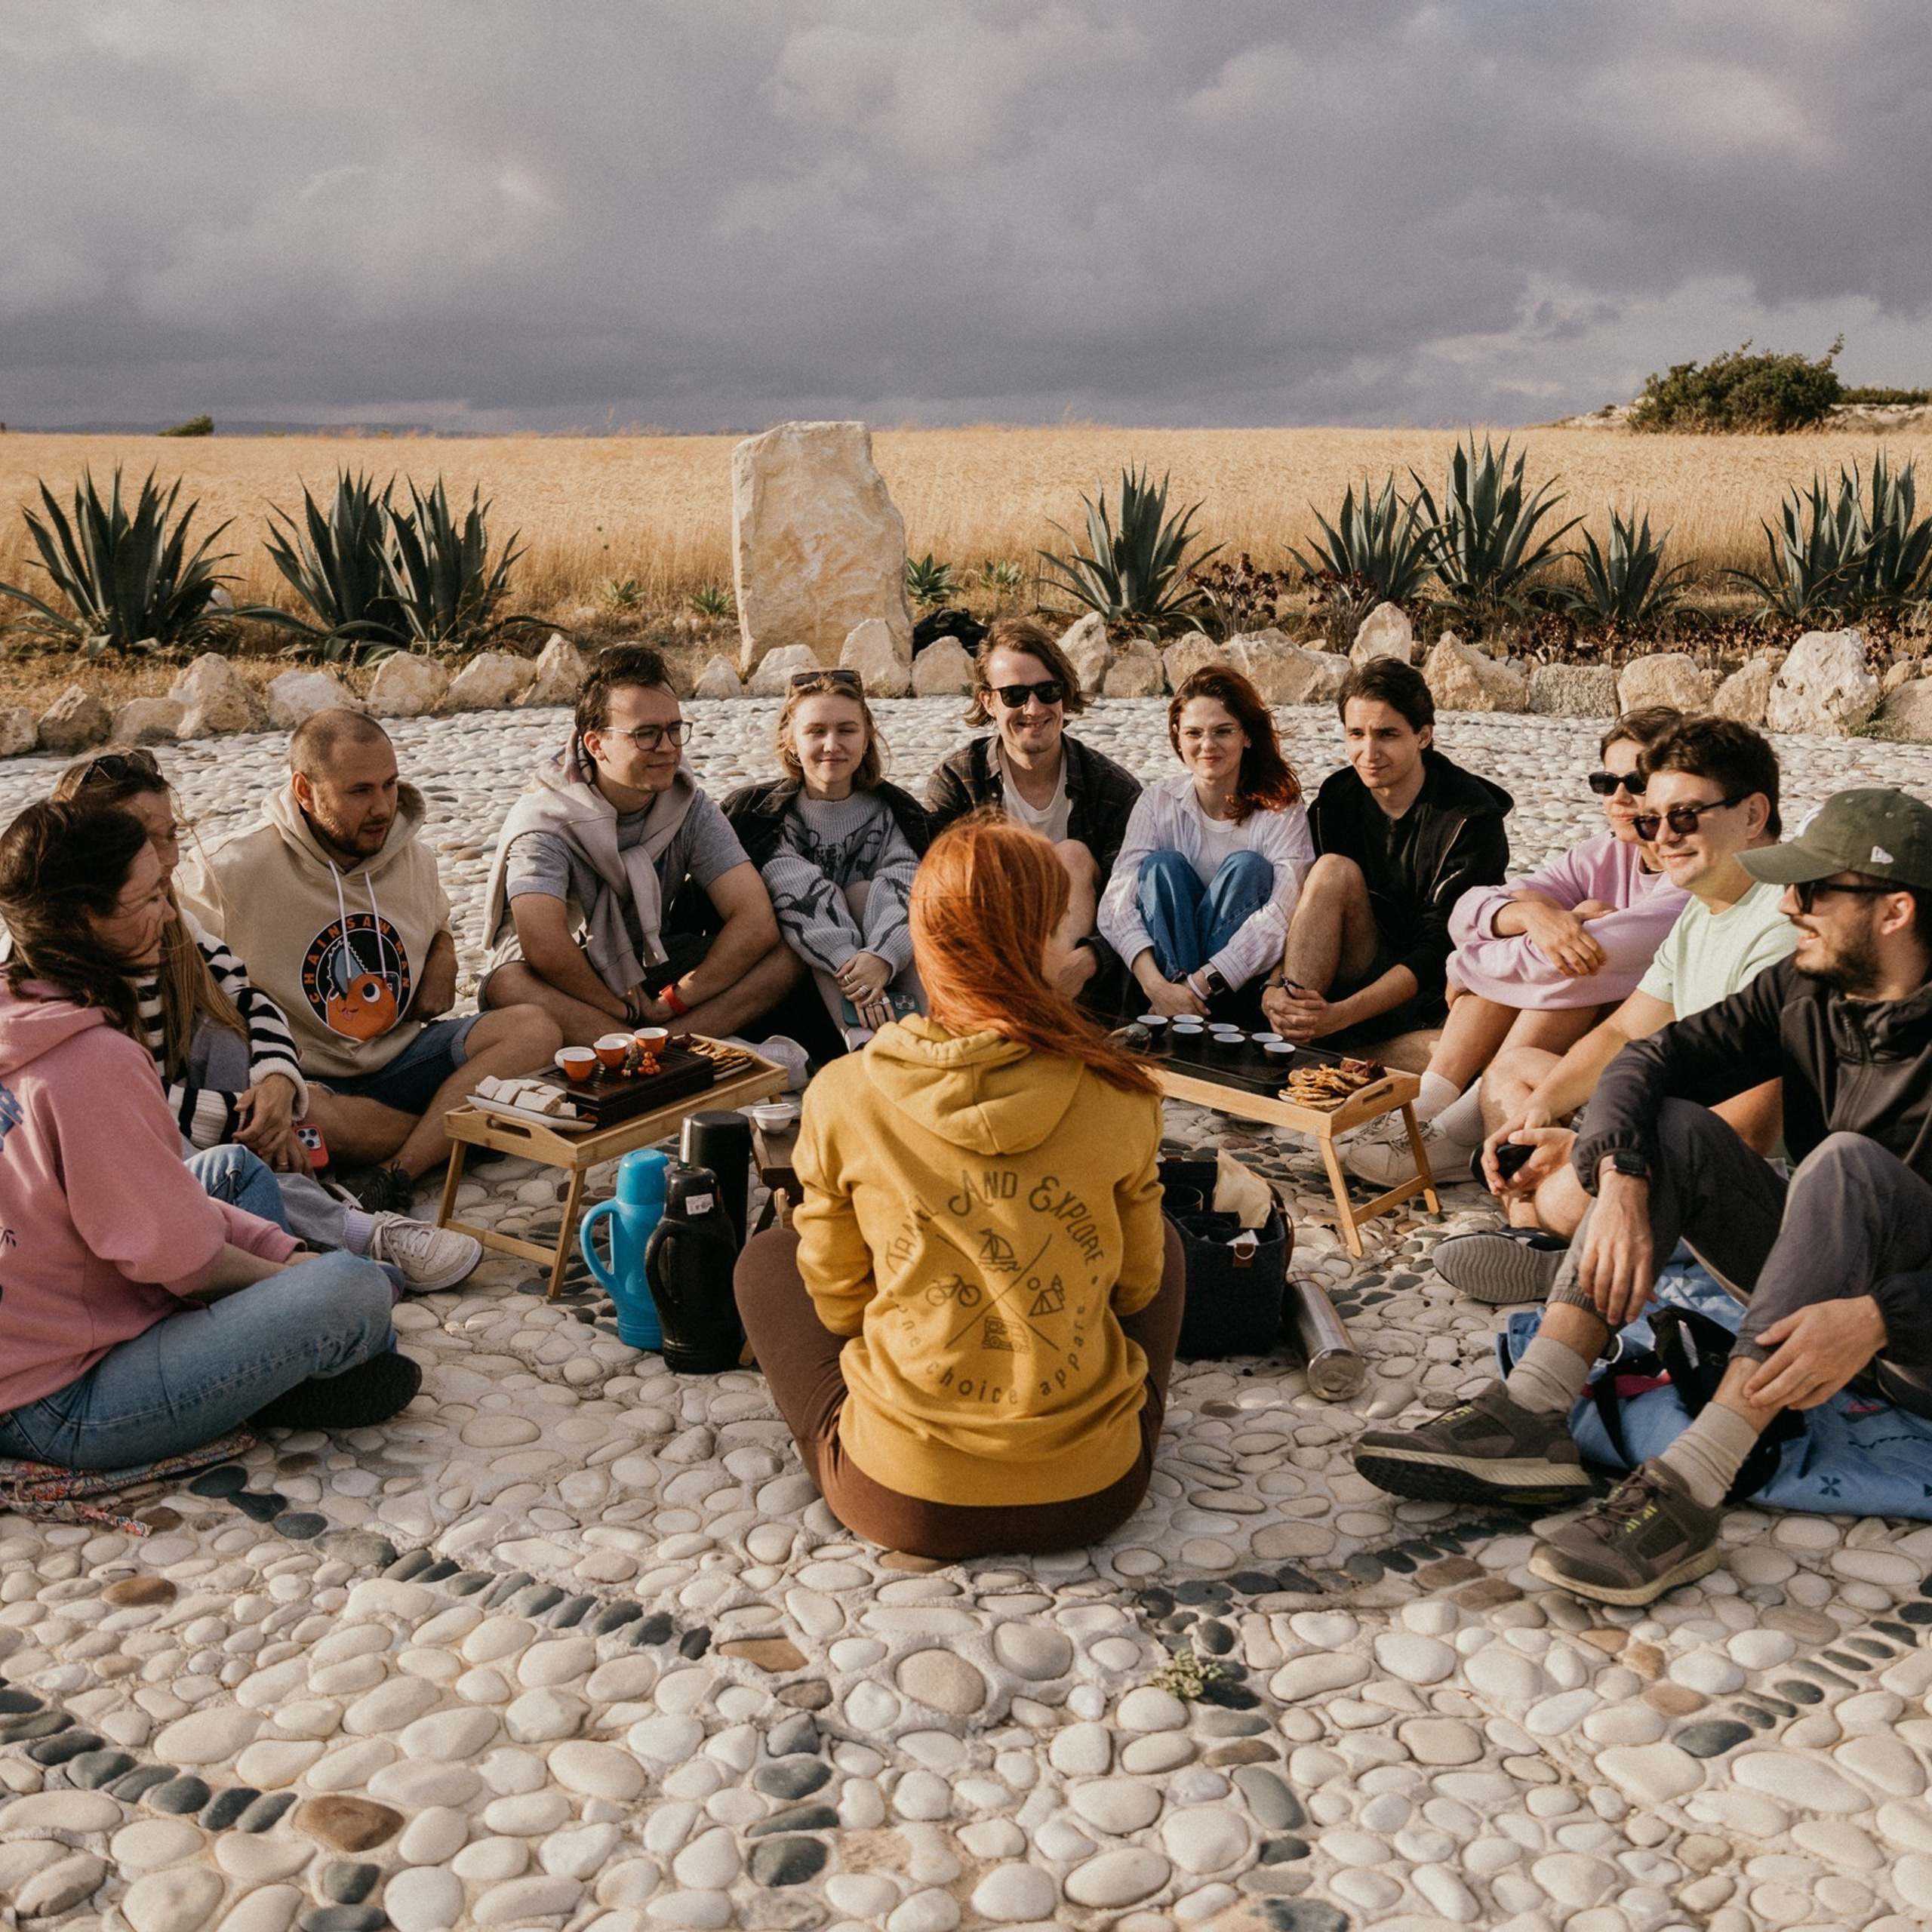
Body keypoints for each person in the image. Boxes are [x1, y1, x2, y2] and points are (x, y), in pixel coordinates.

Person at [1355, 787, 1932, 1607]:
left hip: (1912, 1335)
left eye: (1812, 890)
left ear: (1895, 911)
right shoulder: (1808, 989)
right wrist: (1621, 1177)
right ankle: (1532, 1410)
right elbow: (1645, 1060)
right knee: (1671, 1124)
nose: (1788, 905)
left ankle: (1693, 1486)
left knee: (1845, 1166)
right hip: (1827, 1298)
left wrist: (1878, 1317)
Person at [734, 814, 1187, 1561]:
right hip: (1095, 1494)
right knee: (1162, 1239)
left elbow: (841, 1305)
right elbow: (1136, 1288)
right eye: (1065, 929)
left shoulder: (845, 1092)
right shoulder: (1122, 1092)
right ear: (1039, 945)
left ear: (926, 943)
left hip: (903, 1499)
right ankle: (1096, 1424)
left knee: (765, 1262)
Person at [0, 801, 417, 1471]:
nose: (170, 915)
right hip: (59, 1398)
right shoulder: (90, 1061)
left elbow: (150, 1207)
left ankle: (265, 1375)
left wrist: (282, 1252)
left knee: (231, 1170)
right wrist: (290, 1278)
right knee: (353, 1290)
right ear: (84, 918)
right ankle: (273, 1383)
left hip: (46, 1320)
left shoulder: (18, 1015)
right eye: (149, 898)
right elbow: (178, 1256)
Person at [50, 751, 481, 1293]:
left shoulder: (170, 921)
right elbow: (122, 1107)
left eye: (170, 835)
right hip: (125, 1152)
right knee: (224, 1157)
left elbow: (248, 997)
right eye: (143, 839)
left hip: (223, 1111)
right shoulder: (54, 962)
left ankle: (323, 1218)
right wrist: (254, 1122)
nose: (167, 858)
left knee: (227, 1037)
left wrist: (276, 1083)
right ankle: (348, 1232)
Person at [1438, 716, 1794, 1304]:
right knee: (1514, 1074)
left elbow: (1747, 1132)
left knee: (1560, 1187)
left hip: (1733, 1172)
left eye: (1685, 817)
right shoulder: (1704, 908)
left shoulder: (1784, 923)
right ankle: (1548, 1241)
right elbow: (1624, 1031)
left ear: (1753, 814)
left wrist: (1590, 1152)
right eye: (1653, 821)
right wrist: (1537, 1113)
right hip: (1665, 1114)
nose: (1662, 838)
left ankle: (1558, 1244)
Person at [177, 710, 560, 1213]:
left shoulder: (412, 857)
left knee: (534, 1029)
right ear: (305, 790)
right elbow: (172, 959)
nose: (382, 808)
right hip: (311, 1081)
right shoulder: (228, 869)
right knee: (311, 1117)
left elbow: (437, 921)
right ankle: (451, 1135)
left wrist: (443, 954)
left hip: (403, 1059)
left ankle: (399, 1165)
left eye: (390, 785)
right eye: (359, 791)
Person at [1342, 708, 1686, 1187]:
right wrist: (1531, 917)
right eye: (1606, 783)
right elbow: (1469, 908)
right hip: (1572, 1039)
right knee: (1548, 938)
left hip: (1635, 1056)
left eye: (1637, 782)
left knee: (1574, 964)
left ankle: (1461, 1130)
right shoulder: (1603, 854)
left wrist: (1465, 966)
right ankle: (1429, 1108)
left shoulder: (1687, 878)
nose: (1619, 798)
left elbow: (1561, 961)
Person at [480, 645, 802, 1077]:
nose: (667, 748)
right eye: (646, 734)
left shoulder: (686, 804)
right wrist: (621, 1009)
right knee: (507, 984)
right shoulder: (546, 820)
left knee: (786, 954)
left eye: (675, 730)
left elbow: (754, 918)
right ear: (597, 744)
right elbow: (545, 946)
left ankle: (657, 1052)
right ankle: (660, 1054)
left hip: (646, 966)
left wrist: (675, 1000)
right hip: (565, 984)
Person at [1266, 659, 1512, 1056]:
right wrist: (1274, 987)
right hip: (1348, 968)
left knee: (1467, 1053)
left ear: (1423, 736)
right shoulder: (1337, 799)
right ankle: (1295, 1038)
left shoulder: (1470, 817)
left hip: (1427, 998)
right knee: (1331, 871)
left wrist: (1342, 1015)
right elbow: (1298, 909)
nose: (1369, 752)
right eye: (1356, 734)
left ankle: (1339, 1057)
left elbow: (1439, 950)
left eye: (1387, 734)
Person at [926, 617, 1143, 1003]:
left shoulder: (1111, 788)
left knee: (1072, 856)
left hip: (1079, 979)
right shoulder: (959, 781)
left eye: (1048, 691)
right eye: (1014, 695)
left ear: (1064, 695)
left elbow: (1131, 901)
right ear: (988, 702)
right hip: (988, 961)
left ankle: (1044, 1006)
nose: (1033, 708)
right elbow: (935, 894)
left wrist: (1091, 958)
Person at [722, 669, 929, 1054]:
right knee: (825, 894)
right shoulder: (766, 817)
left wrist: (881, 958)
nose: (831, 745)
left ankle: (923, 1032)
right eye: (816, 731)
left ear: (866, 738)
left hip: (888, 974)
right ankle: (862, 1045)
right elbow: (799, 897)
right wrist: (855, 969)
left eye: (846, 730)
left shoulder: (897, 812)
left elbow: (909, 885)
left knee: (865, 892)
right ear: (791, 740)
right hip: (804, 984)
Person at [1100, 665, 1312, 1020]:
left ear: (1247, 736)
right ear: (1178, 737)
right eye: (1194, 733)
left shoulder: (1280, 809)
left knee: (1247, 868)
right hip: (1163, 986)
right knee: (1161, 868)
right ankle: (1179, 1015)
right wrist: (1157, 987)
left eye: (1223, 731)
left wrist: (1197, 986)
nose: (1208, 745)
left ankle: (1183, 1017)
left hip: (1235, 992)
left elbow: (1283, 915)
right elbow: (1116, 906)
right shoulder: (1157, 802)